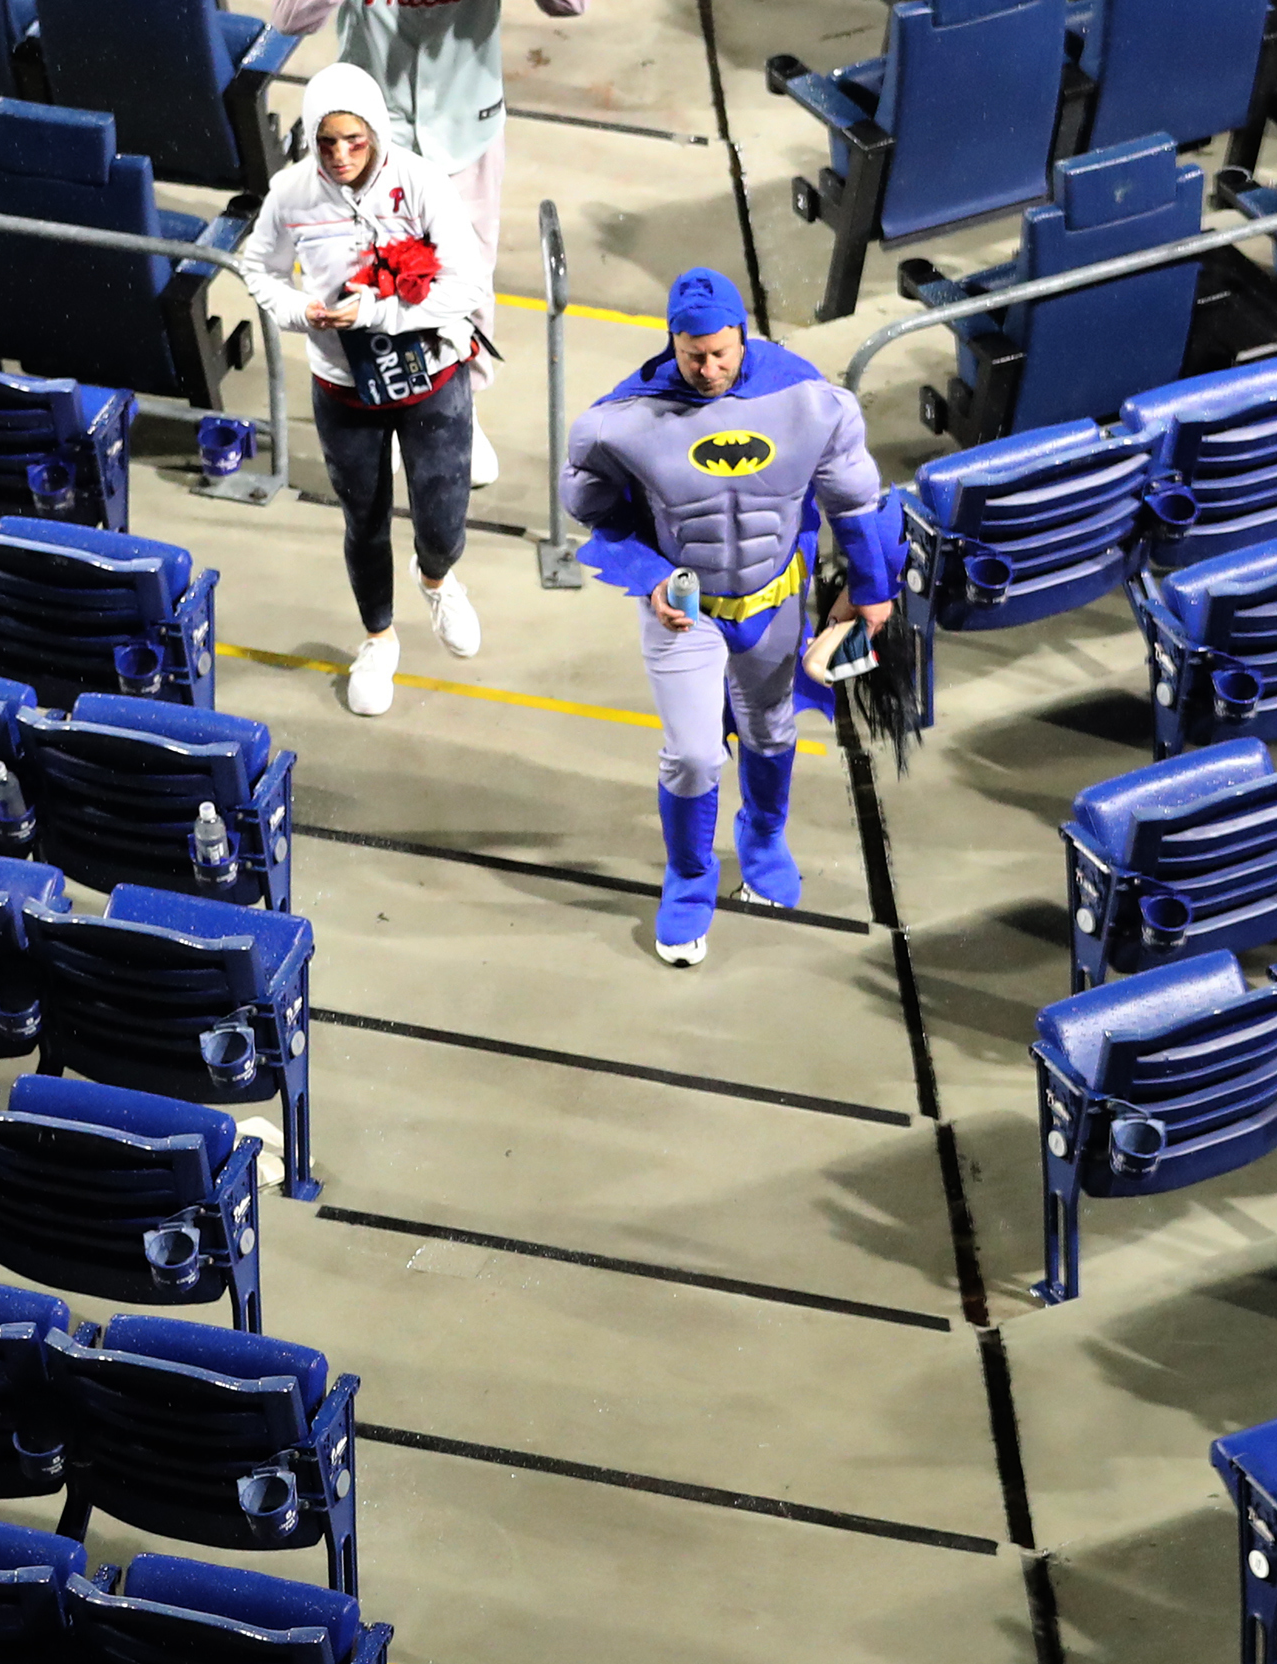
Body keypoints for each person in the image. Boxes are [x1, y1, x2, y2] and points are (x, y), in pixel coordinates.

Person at [561, 268, 899, 969]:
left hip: (773, 603)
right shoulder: (621, 420)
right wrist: (652, 575)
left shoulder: (808, 399)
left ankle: (765, 837)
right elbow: (590, 510)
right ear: (673, 344)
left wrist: (870, 586)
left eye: (721, 352)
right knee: (690, 754)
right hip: (687, 611)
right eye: (693, 355)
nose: (709, 368)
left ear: (743, 336)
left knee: (772, 729)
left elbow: (857, 500)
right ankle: (689, 878)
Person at [236, 63, 490, 719]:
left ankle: (435, 577)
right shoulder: (291, 194)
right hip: (345, 388)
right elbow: (256, 267)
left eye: (354, 140)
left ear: (376, 132)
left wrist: (380, 314)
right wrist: (300, 312)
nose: (341, 156)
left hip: (431, 377)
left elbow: (467, 286)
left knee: (441, 517)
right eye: (326, 143)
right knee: (364, 520)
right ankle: (378, 639)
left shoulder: (421, 184)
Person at [264, 0, 587, 487]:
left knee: (467, 277)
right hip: (370, 140)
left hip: (465, 129)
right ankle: (379, 408)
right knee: (360, 278)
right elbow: (290, 18)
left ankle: (461, 408)